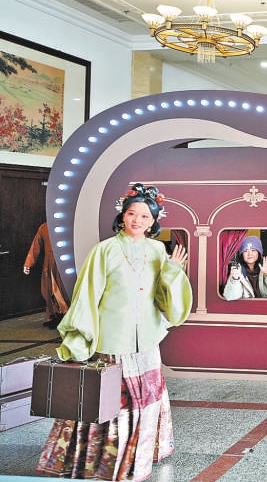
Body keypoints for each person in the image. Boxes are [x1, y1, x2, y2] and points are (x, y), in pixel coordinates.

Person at [36, 183, 192, 481]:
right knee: (110, 403)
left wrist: (173, 271)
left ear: (153, 222)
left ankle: (141, 457)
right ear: (122, 216)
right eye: (132, 214)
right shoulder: (104, 250)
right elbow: (87, 296)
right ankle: (106, 461)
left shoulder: (157, 250)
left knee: (148, 400)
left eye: (145, 216)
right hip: (111, 338)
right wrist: (78, 338)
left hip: (147, 339)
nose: (137, 220)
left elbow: (164, 298)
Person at [23, 221, 69, 327]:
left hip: (64, 263)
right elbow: (36, 246)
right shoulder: (44, 227)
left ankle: (65, 316)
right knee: (48, 290)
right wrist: (28, 263)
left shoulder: (67, 225)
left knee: (63, 291)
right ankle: (54, 316)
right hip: (50, 264)